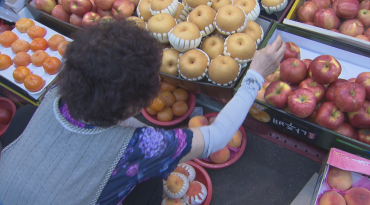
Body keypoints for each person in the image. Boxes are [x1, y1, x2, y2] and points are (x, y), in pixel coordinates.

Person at [0, 20, 285, 205]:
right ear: (139, 101)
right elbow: (217, 136)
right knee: (148, 183)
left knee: (25, 118)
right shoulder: (142, 146)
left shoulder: (56, 93)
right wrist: (255, 75)